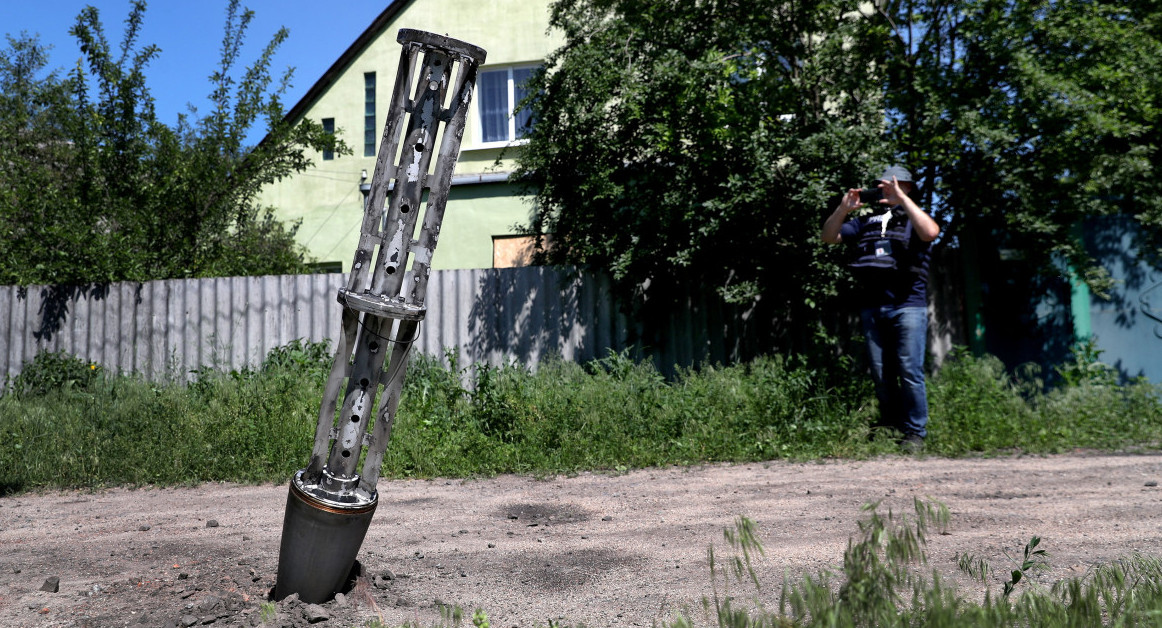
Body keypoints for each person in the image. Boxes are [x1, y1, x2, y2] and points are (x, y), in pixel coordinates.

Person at [821, 166, 940, 452]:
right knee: (881, 372)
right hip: (872, 307)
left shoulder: (914, 218)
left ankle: (915, 433)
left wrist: (902, 199)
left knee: (909, 370)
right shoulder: (866, 221)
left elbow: (931, 232)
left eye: (892, 185)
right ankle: (890, 425)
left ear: (907, 187)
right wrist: (842, 209)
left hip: (907, 306)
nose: (884, 189)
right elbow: (828, 237)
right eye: (881, 185)